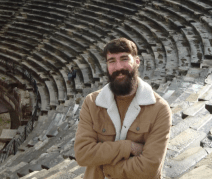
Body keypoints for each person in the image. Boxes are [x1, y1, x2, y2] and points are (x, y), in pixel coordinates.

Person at [74, 38, 172, 179]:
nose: (118, 67)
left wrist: (105, 168)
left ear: (137, 62)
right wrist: (128, 147)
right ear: (107, 66)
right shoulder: (91, 103)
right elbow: (82, 154)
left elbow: (149, 168)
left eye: (124, 59)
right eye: (112, 61)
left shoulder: (159, 109)